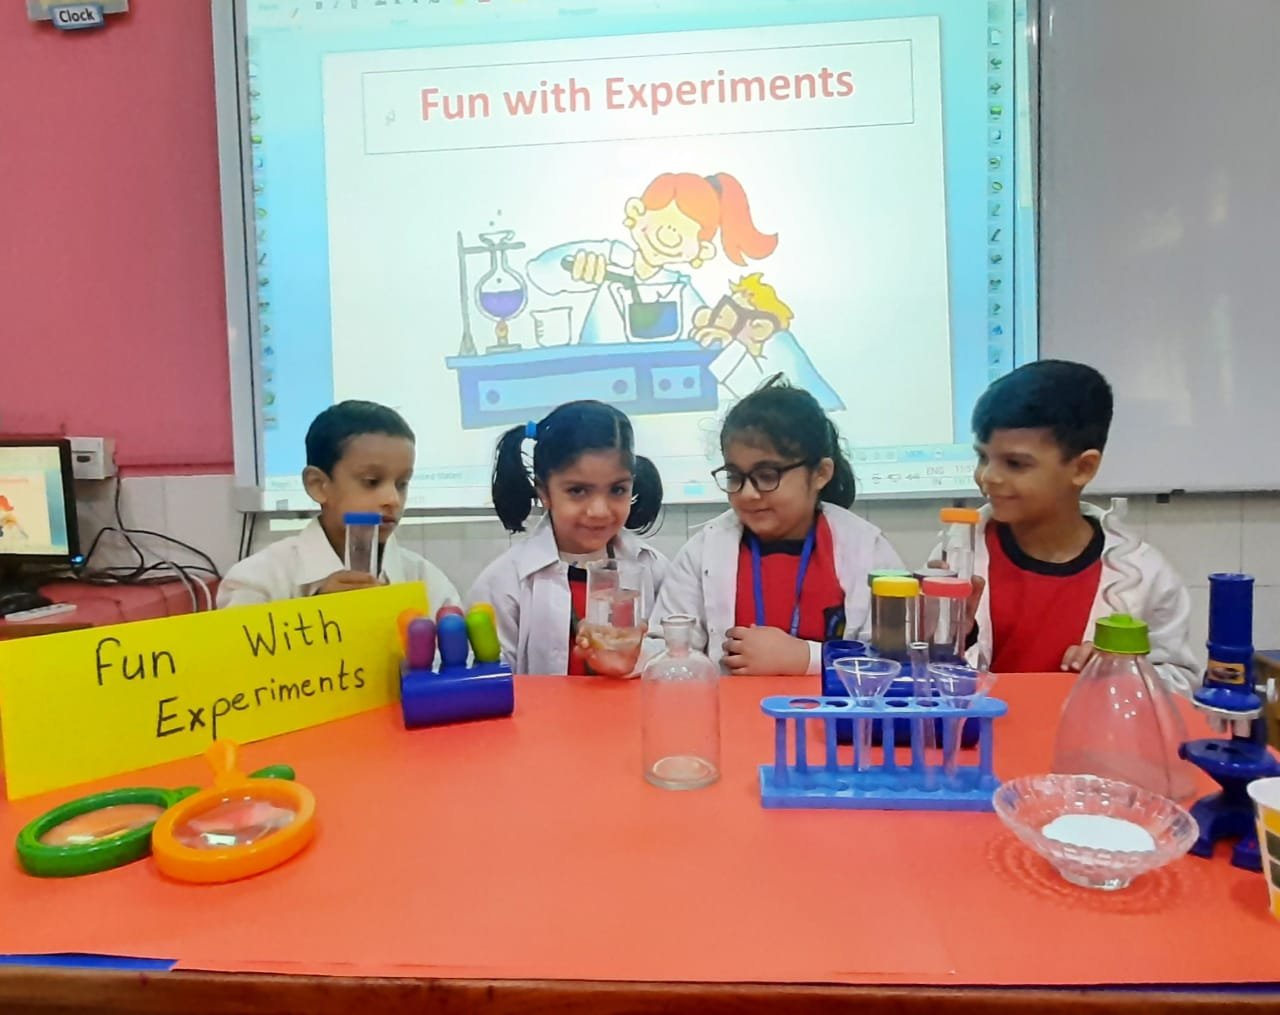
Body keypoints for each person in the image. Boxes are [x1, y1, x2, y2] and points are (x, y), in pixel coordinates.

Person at [963, 359, 1197, 693]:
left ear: (1082, 468)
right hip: (983, 728)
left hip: (1089, 729)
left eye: (1014, 463)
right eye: (983, 457)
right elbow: (922, 673)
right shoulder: (960, 553)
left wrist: (1122, 675)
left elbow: (1183, 685)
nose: (988, 477)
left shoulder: (1143, 574)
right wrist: (949, 637)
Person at [648, 376, 902, 675]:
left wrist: (807, 658)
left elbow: (896, 660)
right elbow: (667, 647)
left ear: (820, 473)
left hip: (832, 706)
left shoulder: (868, 549)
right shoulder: (703, 551)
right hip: (731, 705)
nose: (747, 493)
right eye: (734, 476)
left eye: (767, 475)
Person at [468, 400, 667, 676]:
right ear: (544, 492)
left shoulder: (654, 568)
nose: (599, 511)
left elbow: (673, 652)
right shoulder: (504, 583)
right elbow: (490, 681)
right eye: (577, 491)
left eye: (617, 490)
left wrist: (637, 657)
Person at [217, 400, 459, 609]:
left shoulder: (427, 582)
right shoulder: (256, 580)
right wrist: (317, 615)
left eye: (402, 484)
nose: (392, 499)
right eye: (371, 482)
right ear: (318, 485)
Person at [527, 172, 776, 345]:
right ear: (636, 212)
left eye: (685, 232)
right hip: (594, 378)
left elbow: (700, 317)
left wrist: (719, 330)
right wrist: (578, 267)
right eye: (662, 220)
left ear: (702, 250)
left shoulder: (677, 286)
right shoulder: (611, 256)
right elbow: (539, 273)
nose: (669, 236)